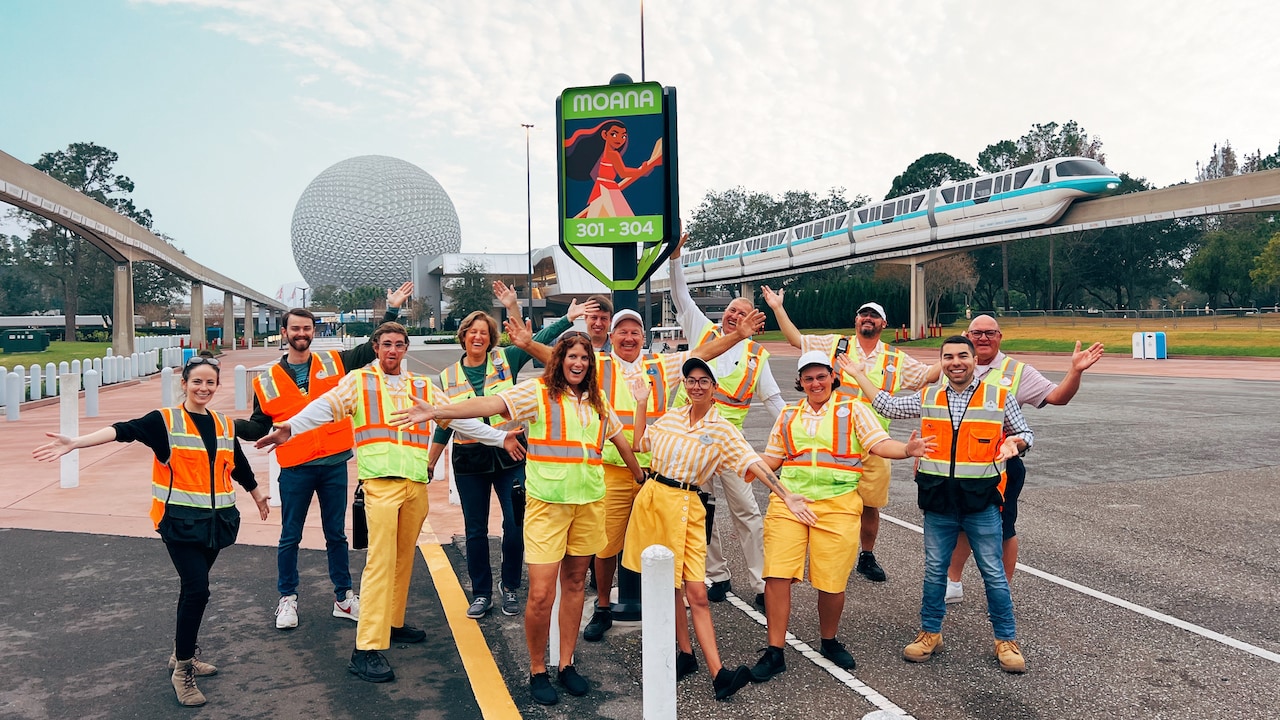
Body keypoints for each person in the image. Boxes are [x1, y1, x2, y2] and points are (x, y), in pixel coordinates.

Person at [255, 322, 520, 684]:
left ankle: (392, 623)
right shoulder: (359, 382)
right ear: (376, 348)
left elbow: (460, 420)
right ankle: (365, 648)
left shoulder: (421, 387)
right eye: (386, 345)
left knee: (402, 559)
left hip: (414, 486)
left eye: (398, 345)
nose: (392, 351)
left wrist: (497, 438)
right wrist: (291, 428)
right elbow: (323, 407)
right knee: (379, 565)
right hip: (380, 486)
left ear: (406, 349)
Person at [393, 332, 644, 707]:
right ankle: (538, 668)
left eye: (584, 358)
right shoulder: (538, 392)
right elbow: (489, 402)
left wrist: (640, 477)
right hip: (547, 507)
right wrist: (438, 412)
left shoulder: (597, 399)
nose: (578, 363)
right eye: (571, 356)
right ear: (558, 359)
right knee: (541, 594)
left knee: (576, 584)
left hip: (589, 503)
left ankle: (567, 663)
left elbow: (620, 440)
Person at [33, 353, 271, 707]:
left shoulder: (223, 424)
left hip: (217, 524)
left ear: (217, 387)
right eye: (197, 382)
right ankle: (183, 671)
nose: (203, 388)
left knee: (192, 591)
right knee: (198, 590)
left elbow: (237, 463)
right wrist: (76, 442)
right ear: (184, 384)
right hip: (179, 523)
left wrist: (256, 493)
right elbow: (122, 430)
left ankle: (181, 652)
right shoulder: (165, 421)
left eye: (210, 382)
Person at [579, 305, 768, 642]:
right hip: (613, 468)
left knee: (663, 546)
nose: (629, 336)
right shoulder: (598, 364)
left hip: (657, 472)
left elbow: (703, 352)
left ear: (643, 338)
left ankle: (666, 612)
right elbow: (558, 360)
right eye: (622, 330)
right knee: (607, 546)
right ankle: (604, 606)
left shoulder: (658, 365)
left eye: (635, 331)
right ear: (611, 336)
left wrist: (738, 335)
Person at [846, 336, 1033, 674]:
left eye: (963, 355)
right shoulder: (929, 395)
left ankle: (1006, 640)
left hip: (981, 501)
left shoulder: (999, 397)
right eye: (948, 357)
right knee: (935, 571)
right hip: (939, 501)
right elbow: (887, 406)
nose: (955, 362)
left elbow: (1025, 434)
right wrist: (859, 375)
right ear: (942, 361)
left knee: (992, 571)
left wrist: (1014, 444)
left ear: (975, 360)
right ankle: (930, 633)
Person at [236, 282, 413, 631]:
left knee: (336, 534)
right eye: (295, 328)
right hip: (296, 466)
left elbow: (369, 350)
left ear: (314, 332)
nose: (301, 333)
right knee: (290, 536)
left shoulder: (335, 362)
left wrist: (391, 310)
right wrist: (226, 425)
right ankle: (287, 598)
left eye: (307, 328)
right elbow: (259, 425)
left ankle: (344, 598)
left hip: (333, 463)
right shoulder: (267, 380)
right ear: (284, 332)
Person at [750, 352, 933, 683]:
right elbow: (773, 458)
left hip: (838, 505)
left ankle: (829, 641)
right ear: (801, 382)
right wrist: (745, 459)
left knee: (832, 581)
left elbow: (880, 444)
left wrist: (908, 450)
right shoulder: (789, 414)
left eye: (821, 376)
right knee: (776, 575)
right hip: (790, 504)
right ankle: (774, 651)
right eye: (808, 378)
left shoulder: (854, 409)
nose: (815, 383)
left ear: (832, 378)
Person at [623, 357, 796, 700]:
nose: (697, 385)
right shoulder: (672, 417)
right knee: (669, 586)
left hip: (687, 508)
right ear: (685, 386)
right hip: (654, 502)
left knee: (697, 594)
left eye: (704, 381)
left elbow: (753, 464)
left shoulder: (722, 430)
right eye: (691, 380)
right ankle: (686, 656)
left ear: (715, 389)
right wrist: (642, 403)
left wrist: (786, 495)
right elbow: (641, 442)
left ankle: (719, 673)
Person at [429, 282, 598, 620]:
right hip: (470, 459)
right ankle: (481, 593)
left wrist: (565, 319)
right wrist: (431, 462)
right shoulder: (447, 376)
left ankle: (510, 588)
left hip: (512, 455)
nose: (478, 337)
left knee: (515, 523)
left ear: (491, 338)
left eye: (484, 333)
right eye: (472, 332)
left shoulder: (504, 359)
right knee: (475, 529)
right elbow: (444, 422)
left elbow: (534, 339)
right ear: (462, 336)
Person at [763, 287, 932, 583]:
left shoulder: (896, 359)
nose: (868, 319)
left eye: (874, 316)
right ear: (856, 321)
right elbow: (796, 340)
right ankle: (826, 550)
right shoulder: (835, 345)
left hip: (875, 442)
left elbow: (928, 375)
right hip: (832, 439)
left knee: (870, 504)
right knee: (830, 495)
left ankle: (866, 555)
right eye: (863, 314)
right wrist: (778, 307)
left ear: (883, 323)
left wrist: (968, 352)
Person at [943, 315, 1104, 603]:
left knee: (1004, 527)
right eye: (977, 333)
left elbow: (1056, 397)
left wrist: (1075, 371)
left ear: (1000, 336)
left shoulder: (1015, 371)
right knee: (959, 524)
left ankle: (1000, 591)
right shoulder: (952, 364)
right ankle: (952, 582)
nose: (983, 338)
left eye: (989, 333)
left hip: (1000, 465)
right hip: (955, 464)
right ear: (967, 334)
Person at [669, 234, 783, 610]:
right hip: (693, 440)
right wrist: (675, 259)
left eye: (743, 312)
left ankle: (761, 580)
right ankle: (717, 574)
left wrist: (792, 432)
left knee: (747, 510)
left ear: (753, 320)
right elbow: (681, 294)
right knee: (702, 509)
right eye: (732, 310)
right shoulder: (701, 331)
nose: (735, 315)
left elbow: (774, 400)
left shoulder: (756, 355)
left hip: (730, 444)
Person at [564, 119, 662, 218]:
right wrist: (641, 171)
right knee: (624, 220)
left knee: (597, 221)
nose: (619, 139)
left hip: (602, 189)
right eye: (614, 134)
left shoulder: (605, 154)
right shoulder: (613, 154)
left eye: (623, 136)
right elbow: (623, 173)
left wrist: (642, 171)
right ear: (604, 135)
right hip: (607, 190)